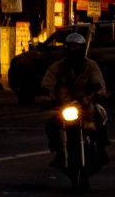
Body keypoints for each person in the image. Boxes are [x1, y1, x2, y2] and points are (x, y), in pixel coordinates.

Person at [39, 32, 109, 167]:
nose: (74, 52)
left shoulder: (91, 66)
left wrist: (97, 93)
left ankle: (101, 149)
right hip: (64, 107)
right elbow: (47, 84)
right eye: (70, 48)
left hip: (86, 105)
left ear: (82, 50)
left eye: (77, 49)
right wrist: (47, 97)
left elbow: (99, 83)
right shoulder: (56, 67)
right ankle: (59, 153)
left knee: (100, 116)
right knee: (51, 125)